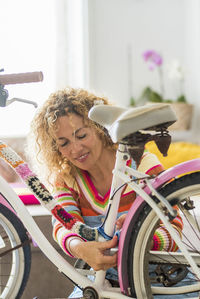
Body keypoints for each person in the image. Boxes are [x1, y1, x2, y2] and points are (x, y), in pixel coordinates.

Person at [28, 87, 183, 296]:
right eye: (64, 143)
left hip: (160, 280)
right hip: (101, 282)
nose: (75, 149)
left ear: (100, 129)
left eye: (81, 135)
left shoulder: (142, 166)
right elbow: (63, 224)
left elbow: (174, 228)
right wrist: (79, 249)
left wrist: (138, 235)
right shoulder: (67, 179)